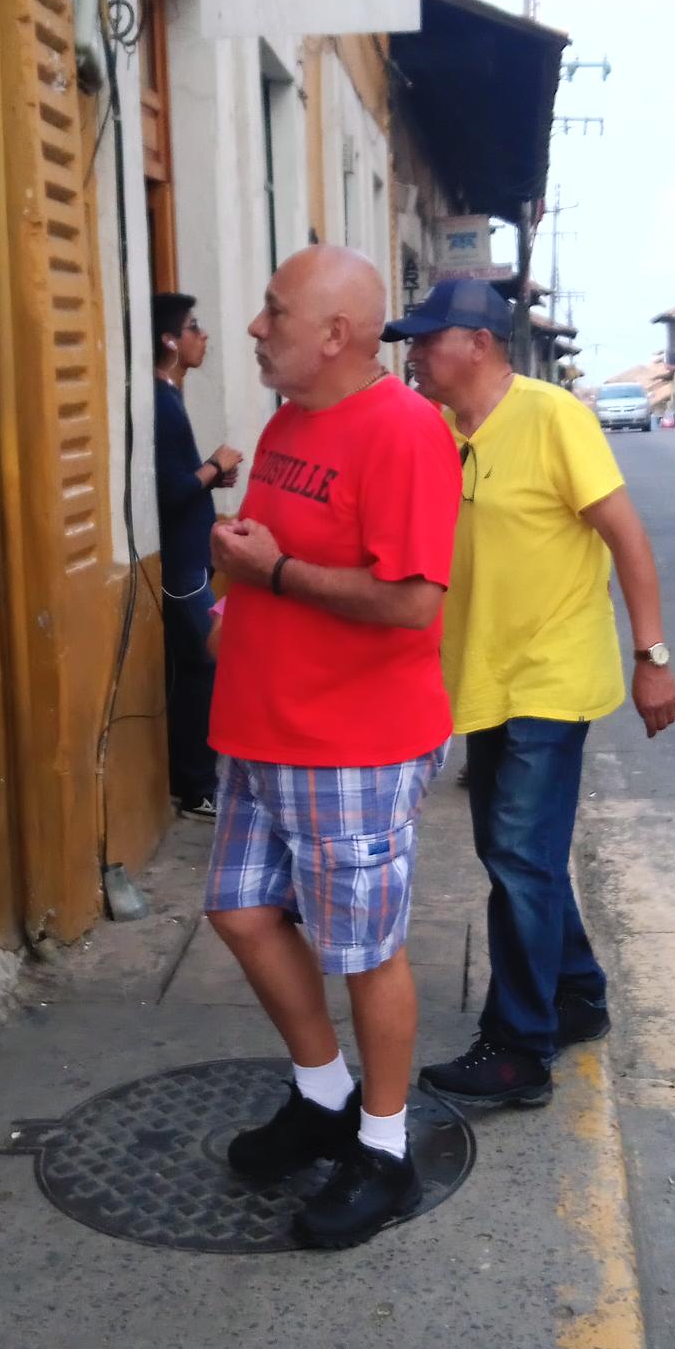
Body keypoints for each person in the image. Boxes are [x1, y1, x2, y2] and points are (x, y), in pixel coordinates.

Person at [202, 244, 459, 1250]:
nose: (256, 328)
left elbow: (411, 601)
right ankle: (322, 1092)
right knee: (235, 910)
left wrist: (277, 577)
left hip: (353, 740)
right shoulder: (287, 420)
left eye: (273, 312)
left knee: (364, 947)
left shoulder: (403, 433)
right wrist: (241, 590)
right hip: (261, 721)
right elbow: (276, 550)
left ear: (335, 335)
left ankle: (384, 1148)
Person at [394, 280, 675, 1110]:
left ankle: (520, 1048)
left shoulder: (554, 417)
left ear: (478, 343)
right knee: (520, 854)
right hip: (482, 676)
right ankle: (577, 993)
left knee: (518, 858)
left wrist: (652, 655)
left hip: (550, 677)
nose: (413, 352)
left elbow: (627, 535)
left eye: (425, 338)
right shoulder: (440, 430)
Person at [151, 291, 241, 819]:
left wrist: (208, 472)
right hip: (182, 562)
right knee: (202, 665)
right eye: (192, 327)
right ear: (170, 340)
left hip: (191, 555)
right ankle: (196, 784)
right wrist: (213, 468)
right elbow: (170, 490)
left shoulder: (171, 396)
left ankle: (198, 778)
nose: (201, 336)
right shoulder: (162, 403)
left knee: (196, 667)